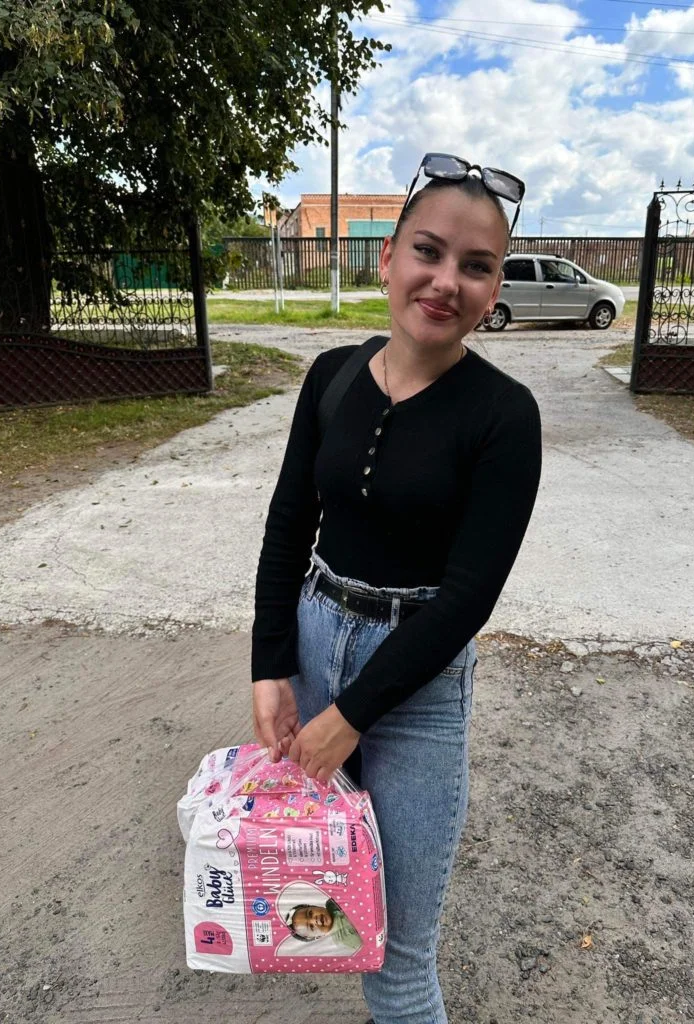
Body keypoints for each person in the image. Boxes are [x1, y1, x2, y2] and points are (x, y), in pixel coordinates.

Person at [251, 152, 542, 1024]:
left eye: (477, 266)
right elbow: (287, 522)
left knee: (396, 955)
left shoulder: (504, 416)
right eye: (428, 250)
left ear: (495, 289)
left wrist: (353, 715)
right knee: (314, 898)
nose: (446, 280)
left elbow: (466, 600)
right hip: (313, 640)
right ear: (387, 258)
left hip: (414, 679)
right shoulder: (330, 375)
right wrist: (271, 668)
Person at [286, 900, 362, 953]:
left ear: (315, 906)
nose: (314, 920)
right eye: (311, 926)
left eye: (310, 913)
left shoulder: (332, 903)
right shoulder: (344, 938)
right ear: (318, 936)